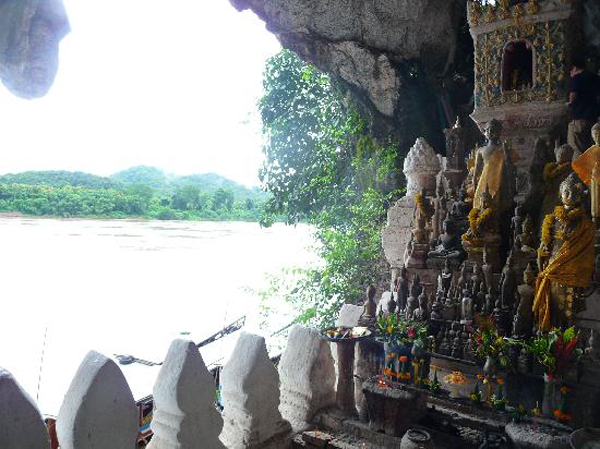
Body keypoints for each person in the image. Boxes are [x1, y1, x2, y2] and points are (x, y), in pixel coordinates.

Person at [567, 57, 600, 158]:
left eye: (571, 71)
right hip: (593, 119)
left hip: (579, 120)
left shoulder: (577, 78)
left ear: (575, 68)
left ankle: (578, 173)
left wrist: (570, 103)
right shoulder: (596, 78)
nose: (571, 74)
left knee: (577, 150)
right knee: (592, 149)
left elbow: (573, 95)